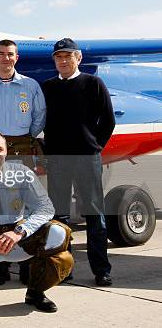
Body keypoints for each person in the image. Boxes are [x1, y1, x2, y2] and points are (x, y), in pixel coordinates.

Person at [0, 130, 73, 312]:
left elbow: (46, 208)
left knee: (59, 232)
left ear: (6, 152)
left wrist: (20, 232)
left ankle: (35, 292)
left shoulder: (23, 173)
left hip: (18, 237)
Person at [0, 39, 46, 285]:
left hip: (22, 148)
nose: (5, 58)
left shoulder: (30, 86)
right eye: (1, 54)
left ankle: (25, 263)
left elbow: (39, 116)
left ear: (17, 57)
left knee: (23, 204)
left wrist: (24, 139)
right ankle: (2, 264)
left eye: (10, 54)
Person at [43, 38, 115, 286]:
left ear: (78, 58)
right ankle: (64, 268)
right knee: (59, 218)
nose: (63, 61)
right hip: (59, 161)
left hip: (86, 158)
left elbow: (108, 121)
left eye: (68, 56)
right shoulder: (48, 87)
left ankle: (101, 269)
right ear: (54, 61)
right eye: (59, 57)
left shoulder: (93, 83)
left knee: (95, 215)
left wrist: (94, 147)